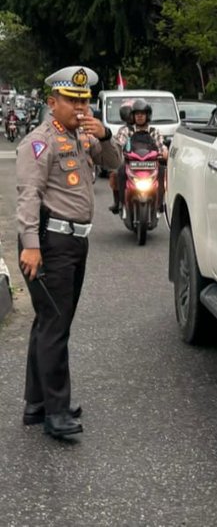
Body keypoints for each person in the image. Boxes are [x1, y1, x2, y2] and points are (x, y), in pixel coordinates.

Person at [17, 66, 122, 439]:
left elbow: (115, 165)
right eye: (72, 101)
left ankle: (36, 404)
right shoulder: (39, 142)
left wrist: (105, 135)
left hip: (75, 242)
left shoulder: (82, 137)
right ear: (52, 103)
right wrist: (31, 247)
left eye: (85, 100)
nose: (80, 107)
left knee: (48, 323)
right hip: (50, 243)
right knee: (55, 327)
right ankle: (56, 413)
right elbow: (28, 196)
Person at [109, 98, 168, 214]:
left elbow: (161, 145)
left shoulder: (153, 131)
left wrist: (165, 153)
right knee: (118, 172)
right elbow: (118, 144)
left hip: (150, 164)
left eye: (142, 114)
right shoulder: (126, 131)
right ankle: (119, 203)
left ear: (147, 115)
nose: (140, 116)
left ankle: (160, 204)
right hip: (131, 163)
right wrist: (117, 152)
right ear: (133, 116)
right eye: (137, 114)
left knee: (162, 171)